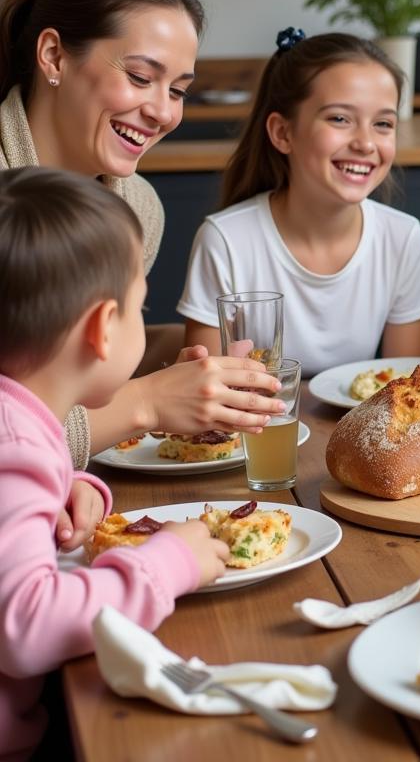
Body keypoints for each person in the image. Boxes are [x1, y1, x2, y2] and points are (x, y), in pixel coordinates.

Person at [0, 0, 284, 472]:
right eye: (139, 77)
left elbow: (59, 355)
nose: (161, 111)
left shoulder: (138, 208)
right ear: (54, 56)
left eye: (178, 89)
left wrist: (188, 360)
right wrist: (149, 402)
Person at [0, 167, 229, 761]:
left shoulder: (19, 427)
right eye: (140, 307)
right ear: (103, 329)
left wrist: (69, 488)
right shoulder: (15, 446)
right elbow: (26, 629)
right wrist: (167, 564)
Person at [178, 30, 420, 373]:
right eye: (340, 119)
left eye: (382, 123)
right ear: (283, 133)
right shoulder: (225, 240)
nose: (365, 143)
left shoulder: (404, 239)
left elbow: (406, 392)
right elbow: (209, 396)